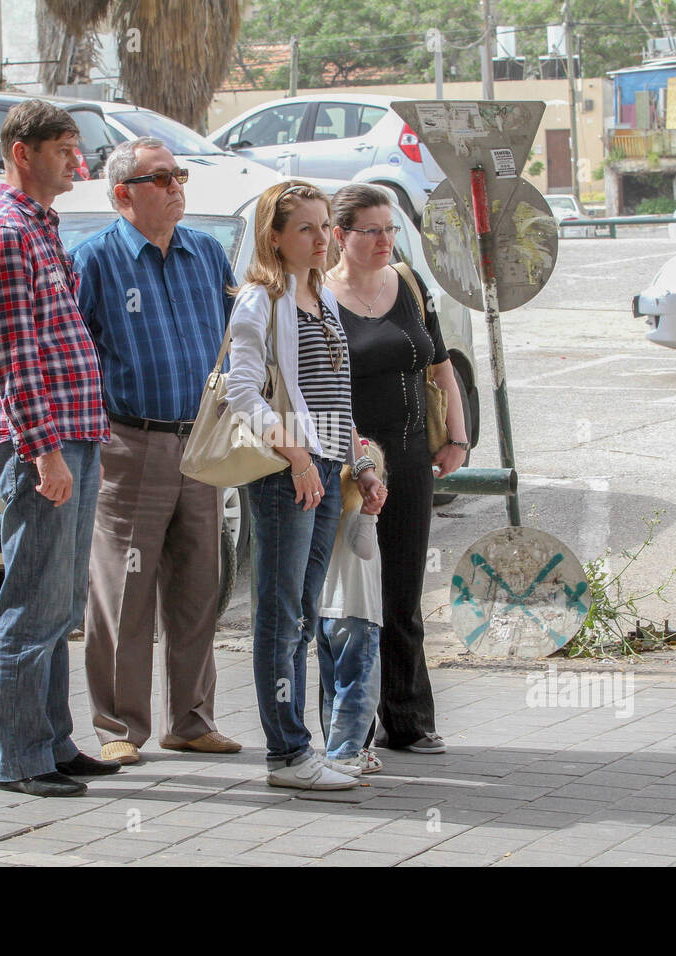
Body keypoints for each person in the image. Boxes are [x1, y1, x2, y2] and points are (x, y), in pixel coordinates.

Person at [0, 99, 121, 797]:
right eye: (62, 148)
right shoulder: (3, 233)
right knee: (31, 604)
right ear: (22, 152)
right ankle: (22, 758)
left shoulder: (40, 228)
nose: (74, 161)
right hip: (41, 445)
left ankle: (52, 743)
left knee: (58, 604)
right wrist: (44, 451)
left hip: (69, 438)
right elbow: (14, 355)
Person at [71, 137, 242, 765]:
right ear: (123, 195)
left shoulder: (208, 255)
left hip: (202, 443)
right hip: (130, 444)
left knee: (199, 587)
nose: (176, 188)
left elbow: (235, 347)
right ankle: (120, 727)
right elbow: (71, 360)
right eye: (161, 179)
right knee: (124, 593)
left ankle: (192, 721)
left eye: (179, 176)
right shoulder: (92, 262)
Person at [225, 180, 384, 790]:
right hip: (286, 474)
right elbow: (242, 391)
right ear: (275, 237)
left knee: (301, 613)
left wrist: (358, 463)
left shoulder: (322, 298)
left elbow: (334, 400)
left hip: (322, 470)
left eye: (325, 227)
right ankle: (287, 754)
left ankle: (296, 749)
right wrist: (295, 456)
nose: (321, 239)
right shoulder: (261, 299)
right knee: (281, 611)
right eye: (306, 229)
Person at [324, 183, 469, 755]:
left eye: (390, 230)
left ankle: (407, 719)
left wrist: (457, 436)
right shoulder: (319, 295)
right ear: (340, 236)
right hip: (347, 462)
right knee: (351, 596)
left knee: (403, 591)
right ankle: (348, 726)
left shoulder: (408, 284)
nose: (386, 240)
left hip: (409, 457)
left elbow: (440, 366)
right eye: (372, 231)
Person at [317, 438, 387, 775]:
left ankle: (339, 747)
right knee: (359, 690)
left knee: (334, 689)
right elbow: (364, 550)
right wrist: (371, 517)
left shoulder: (326, 514)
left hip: (326, 614)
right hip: (358, 613)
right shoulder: (359, 513)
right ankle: (345, 754)